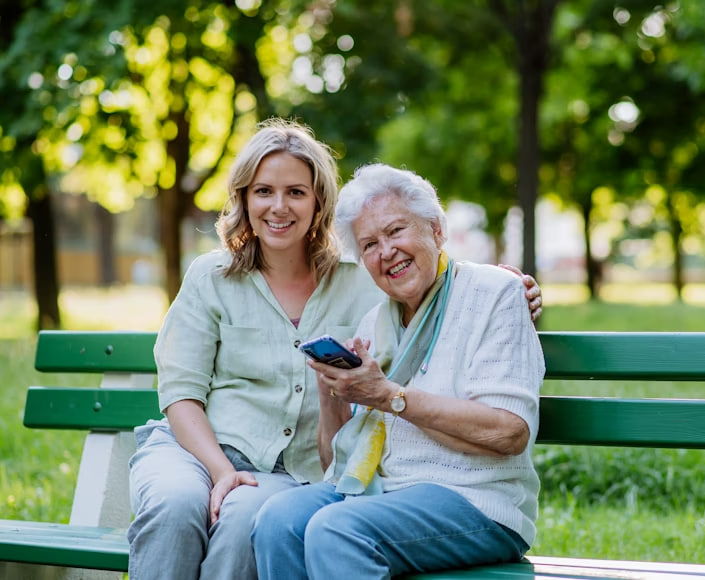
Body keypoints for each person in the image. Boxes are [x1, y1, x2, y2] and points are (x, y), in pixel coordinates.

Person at [126, 120, 543, 580]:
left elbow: (438, 276)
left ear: (318, 200)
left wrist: (507, 283)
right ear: (243, 198)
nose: (279, 206)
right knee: (178, 508)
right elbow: (181, 391)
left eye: (295, 192)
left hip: (322, 476)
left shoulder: (364, 279)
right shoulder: (215, 276)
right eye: (263, 191)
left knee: (253, 519)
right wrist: (227, 467)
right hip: (200, 449)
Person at [251, 163, 545, 579]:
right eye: (370, 244)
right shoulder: (375, 323)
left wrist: (388, 395)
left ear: (436, 230)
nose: (386, 251)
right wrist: (332, 389)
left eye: (395, 231)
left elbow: (509, 432)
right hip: (384, 495)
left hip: (476, 501)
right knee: (278, 520)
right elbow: (337, 465)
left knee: (337, 529)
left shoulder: (495, 293)